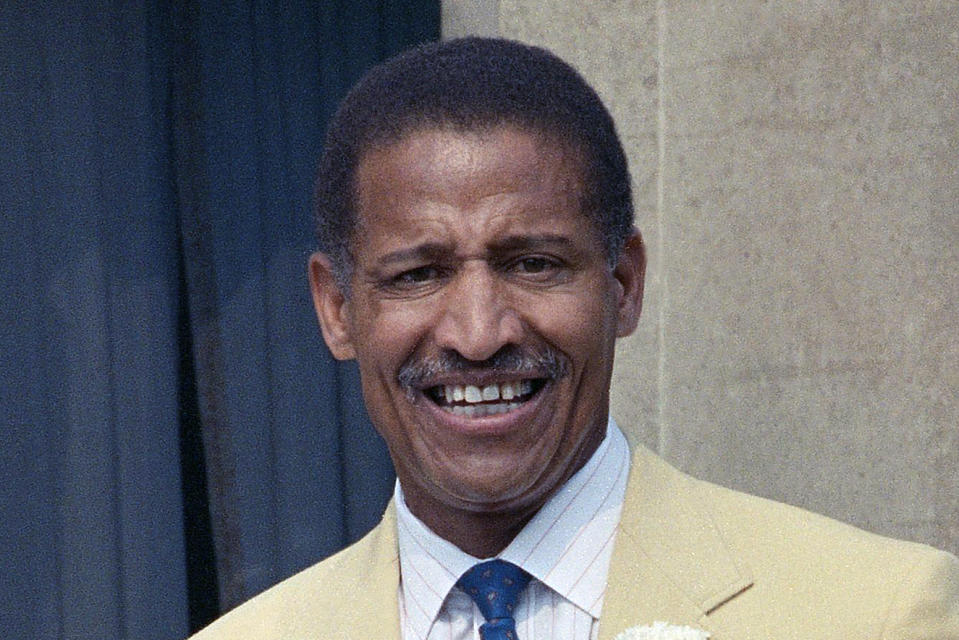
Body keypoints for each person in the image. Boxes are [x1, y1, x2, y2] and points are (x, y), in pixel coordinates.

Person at [190, 37, 959, 640]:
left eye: (533, 263)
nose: (478, 333)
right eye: (418, 274)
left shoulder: (876, 615)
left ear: (621, 284)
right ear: (336, 310)